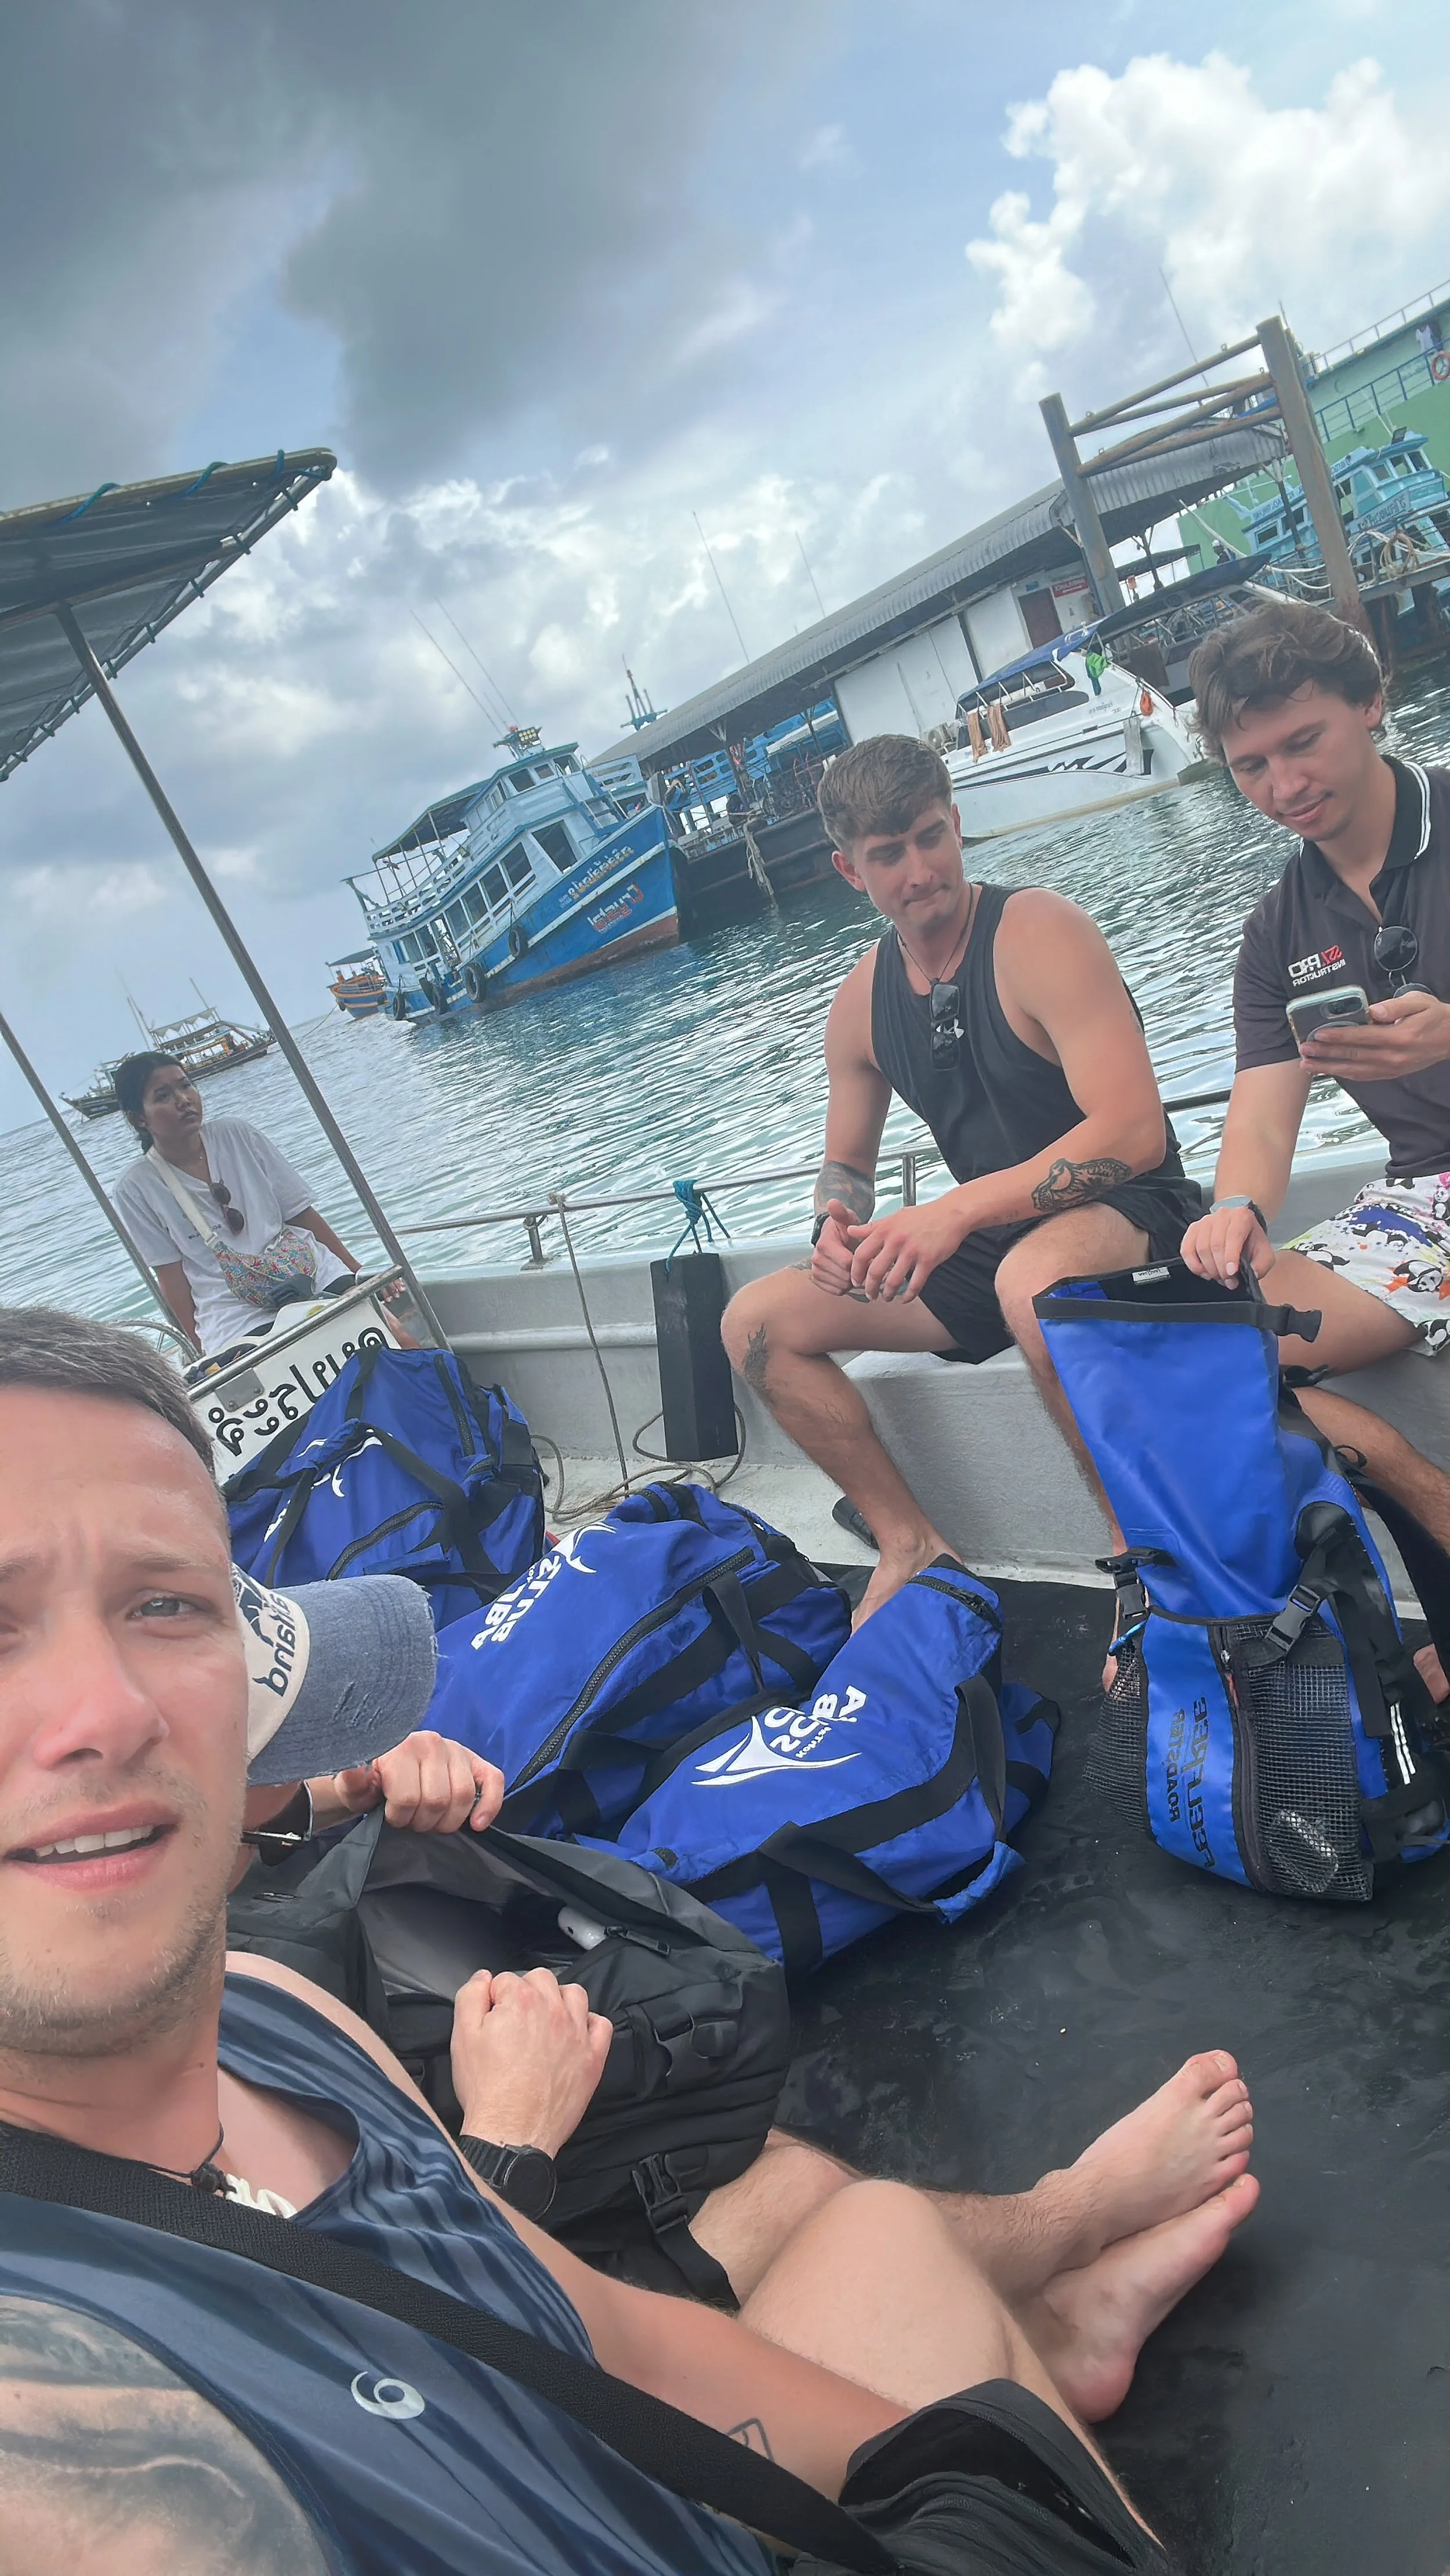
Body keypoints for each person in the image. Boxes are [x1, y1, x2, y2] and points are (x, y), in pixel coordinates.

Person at [0, 1301, 1258, 2575]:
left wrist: (1015, 2491)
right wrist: (508, 2145)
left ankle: (1045, 2322)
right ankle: (1059, 2248)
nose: (106, 1710)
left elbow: (599, 2336)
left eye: (165, 1606)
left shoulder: (282, 2019)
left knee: (864, 2232)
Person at [721, 735, 1202, 1624]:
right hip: (993, 1236)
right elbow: (849, 1168)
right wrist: (836, 1221)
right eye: (888, 855)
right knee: (754, 1324)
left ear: (955, 820)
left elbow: (1136, 1133)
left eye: (930, 835)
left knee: (1034, 1282)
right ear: (848, 869)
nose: (920, 869)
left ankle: (1148, 1566)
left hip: (1132, 1205)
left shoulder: (1038, 931)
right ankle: (909, 1543)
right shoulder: (859, 1001)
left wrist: (953, 1212)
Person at [1179, 600, 1450, 1689]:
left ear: (1373, 703)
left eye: (1304, 741)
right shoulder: (1276, 929)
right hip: (1425, 1198)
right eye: (1251, 765)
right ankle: (1419, 1491)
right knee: (1202, 1349)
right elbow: (1261, 1109)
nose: (1284, 784)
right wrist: (1236, 1207)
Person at [110, 1051, 361, 1354]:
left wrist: (357, 1273)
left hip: (308, 1270)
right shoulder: (136, 1187)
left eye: (186, 1086)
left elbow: (301, 1214)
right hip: (232, 1311)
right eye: (163, 1096)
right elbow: (171, 1276)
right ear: (139, 1117)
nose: (183, 1100)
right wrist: (199, 1348)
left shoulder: (236, 1134)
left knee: (394, 1338)